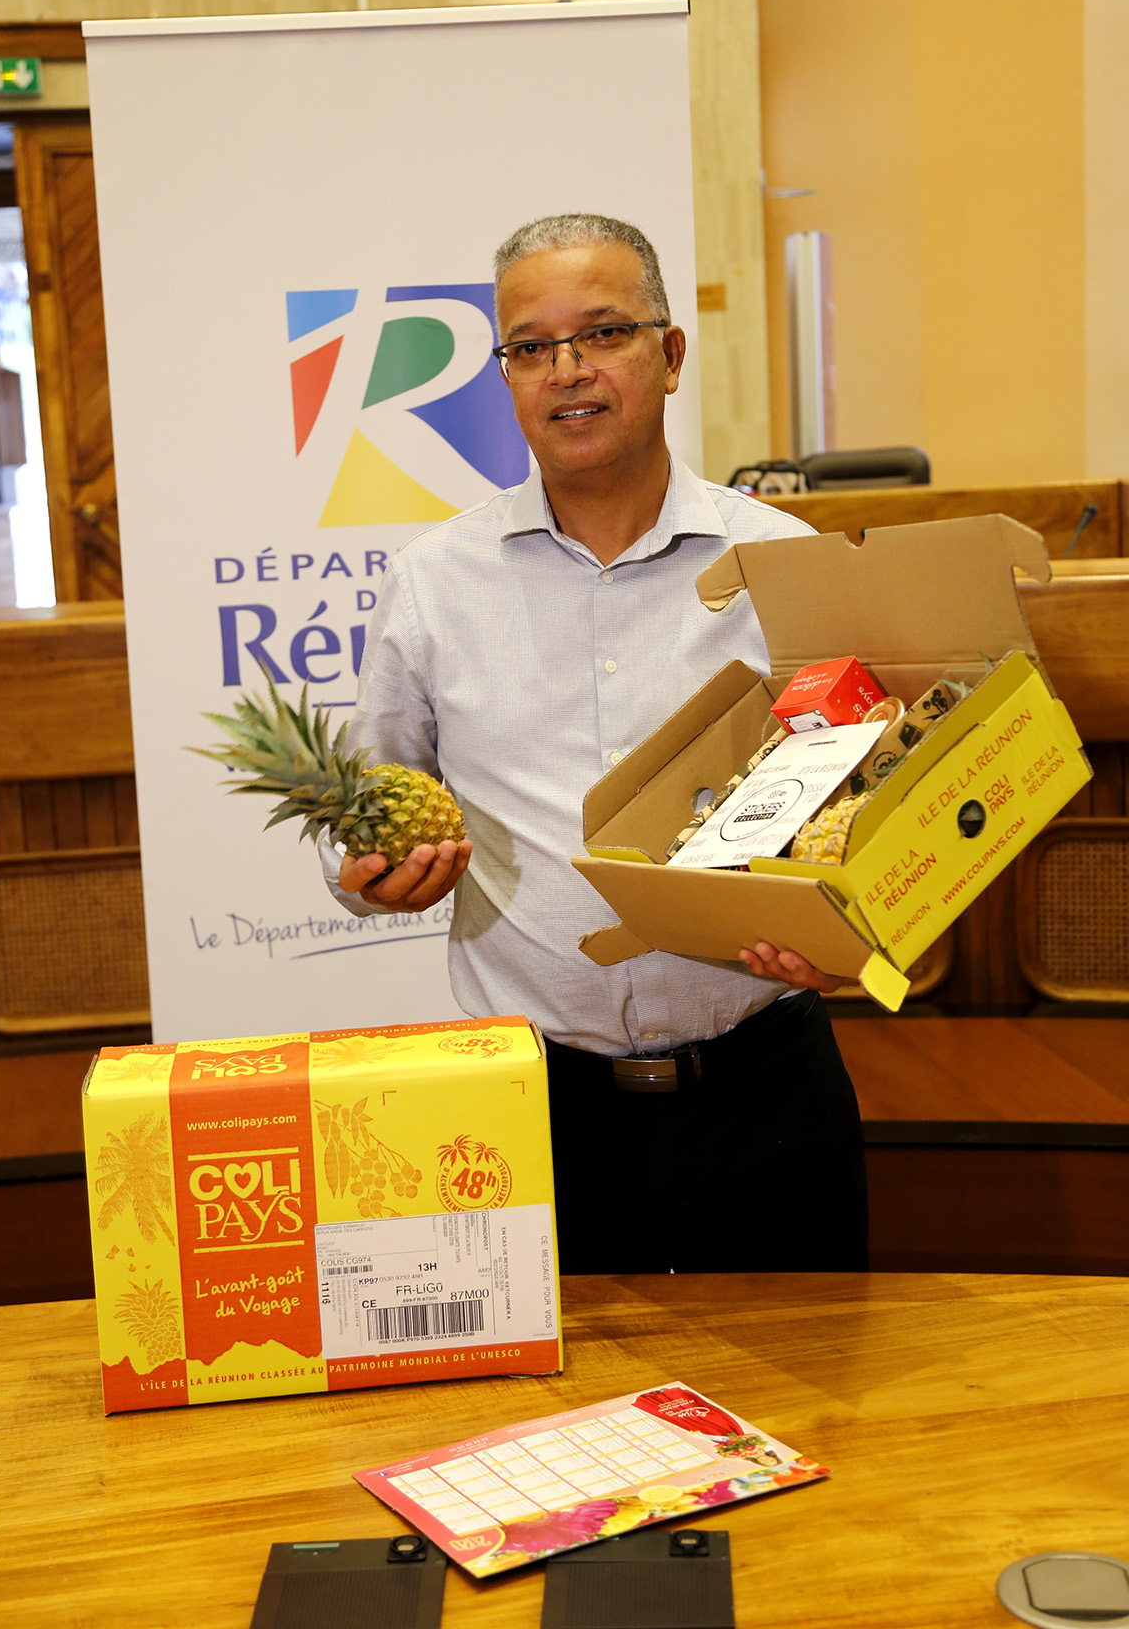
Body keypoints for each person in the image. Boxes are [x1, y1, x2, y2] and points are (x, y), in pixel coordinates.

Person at [320, 213, 867, 1275]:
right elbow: (363, 808)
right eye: (530, 347)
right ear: (507, 376)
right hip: (529, 1114)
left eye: (604, 333)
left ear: (668, 355)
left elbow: (868, 799)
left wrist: (852, 925)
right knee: (546, 1437)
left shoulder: (787, 562)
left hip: (767, 1099)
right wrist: (369, 877)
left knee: (814, 1425)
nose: (567, 371)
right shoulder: (437, 583)